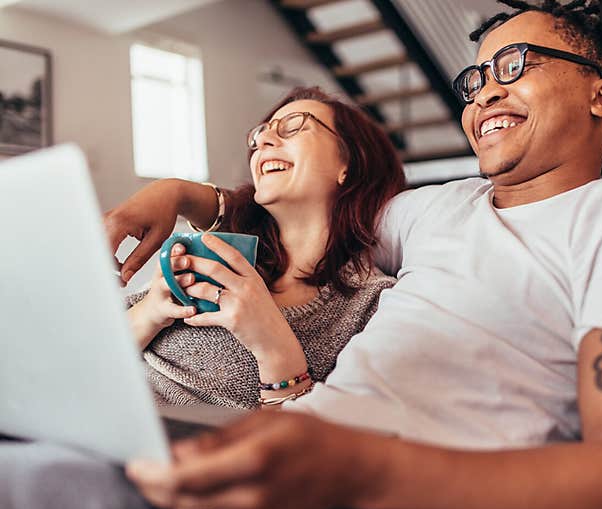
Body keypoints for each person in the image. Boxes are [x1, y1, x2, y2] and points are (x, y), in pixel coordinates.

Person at [0, 0, 602, 509]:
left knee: (44, 503)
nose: (486, 90)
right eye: (477, 77)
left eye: (516, 65)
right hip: (297, 471)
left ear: (601, 91)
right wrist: (177, 193)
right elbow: (305, 208)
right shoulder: (435, 210)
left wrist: (355, 466)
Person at [124, 87, 401, 409]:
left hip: (177, 449)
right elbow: (84, 359)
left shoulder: (370, 304)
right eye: (261, 135)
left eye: (294, 126)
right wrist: (152, 311)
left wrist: (272, 344)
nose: (263, 142)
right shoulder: (219, 251)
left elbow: (324, 446)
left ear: (350, 163)